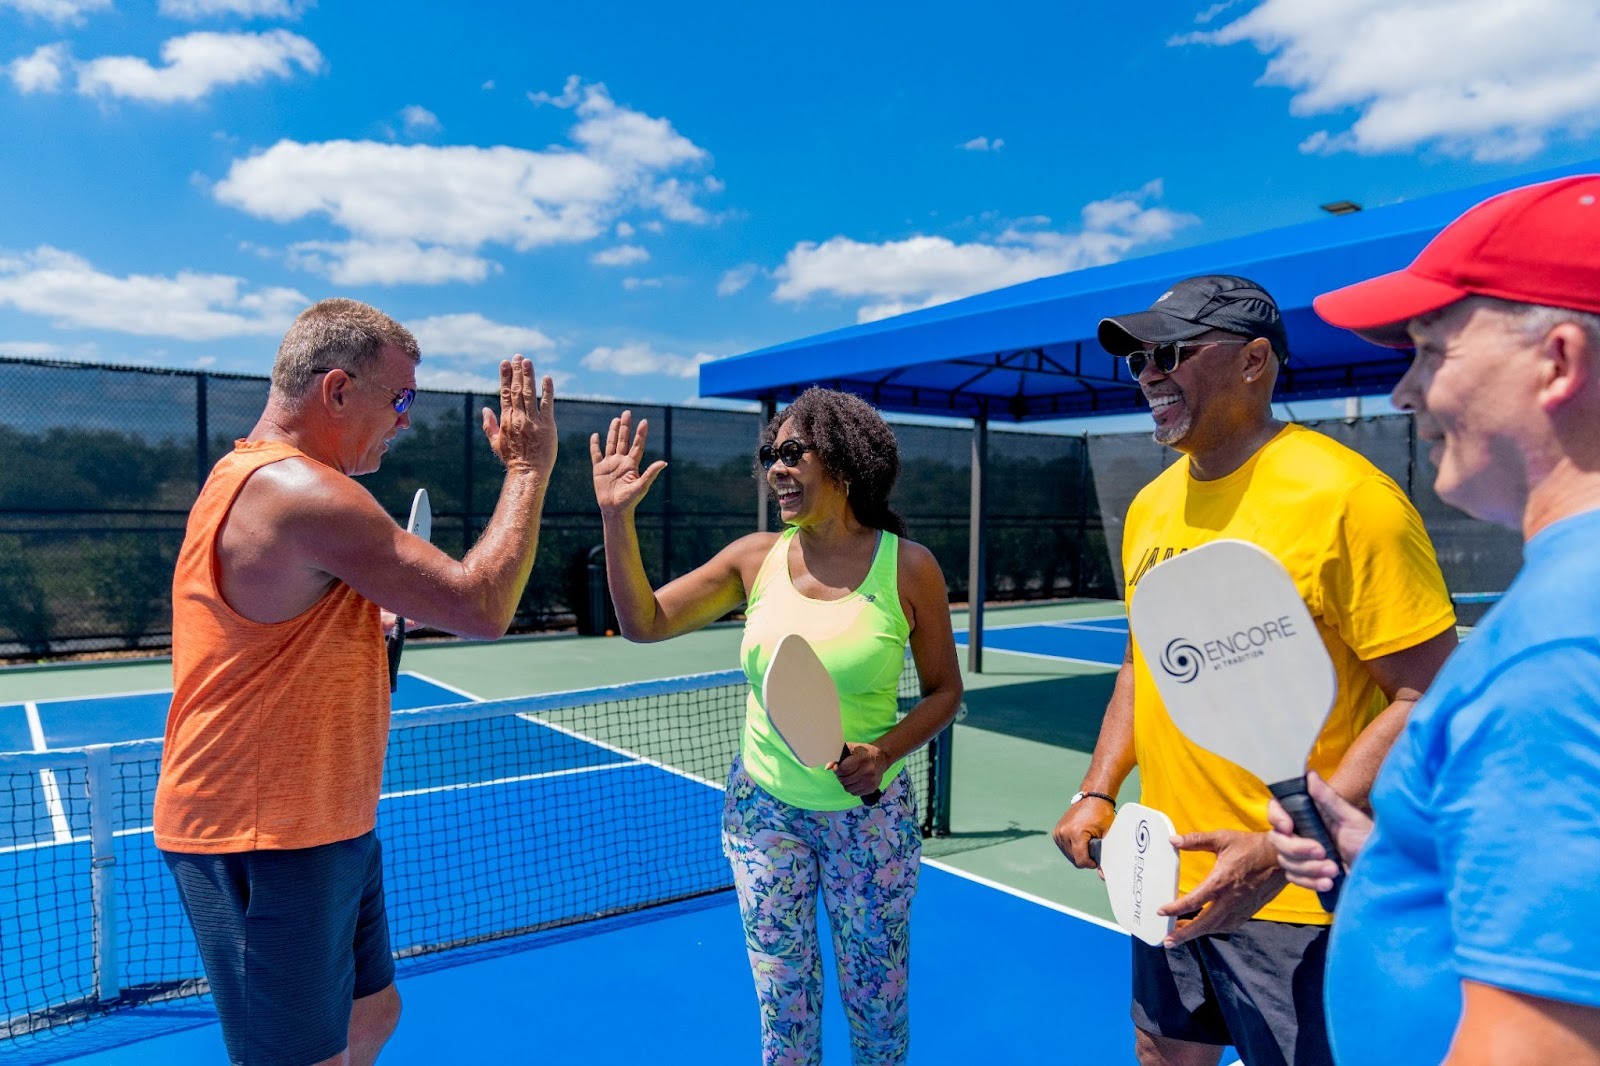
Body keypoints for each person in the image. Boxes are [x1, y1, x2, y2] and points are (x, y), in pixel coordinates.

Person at [1050, 275, 1458, 1066]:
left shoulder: (1347, 497)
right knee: (1161, 1050)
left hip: (1299, 894)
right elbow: (1144, 664)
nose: (1146, 374)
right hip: (1170, 873)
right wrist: (1098, 789)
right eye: (1136, 361)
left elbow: (1428, 692)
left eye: (1167, 353)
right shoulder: (1149, 506)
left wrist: (1283, 842)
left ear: (1254, 361)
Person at [154, 298, 558, 1066]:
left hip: (327, 821)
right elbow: (482, 604)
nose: (404, 419)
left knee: (370, 1017)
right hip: (264, 832)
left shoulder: (253, 477)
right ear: (337, 391)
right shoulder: (300, 492)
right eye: (399, 399)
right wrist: (529, 468)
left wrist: (349, 632)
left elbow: (271, 618)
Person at [1267, 174, 1600, 1065]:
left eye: (1430, 348)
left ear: (1559, 361)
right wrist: (1392, 858)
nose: (1405, 391)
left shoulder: (1561, 646)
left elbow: (1544, 1049)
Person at [590, 387, 961, 1064]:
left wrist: (882, 752)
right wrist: (617, 520)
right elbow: (643, 623)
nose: (776, 469)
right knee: (784, 1014)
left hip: (869, 824)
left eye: (792, 453)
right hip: (764, 816)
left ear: (845, 461)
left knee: (878, 1010)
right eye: (771, 455)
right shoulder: (754, 559)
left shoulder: (908, 567)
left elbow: (945, 692)